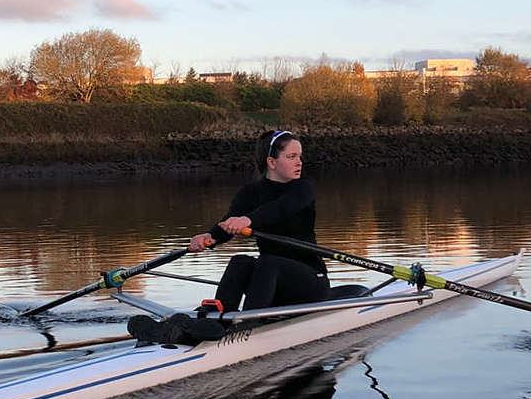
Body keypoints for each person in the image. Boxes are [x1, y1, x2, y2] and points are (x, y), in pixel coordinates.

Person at [128, 129, 363, 346]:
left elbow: (279, 209)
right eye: (291, 157)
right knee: (240, 261)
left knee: (267, 262)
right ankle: (216, 321)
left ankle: (248, 325)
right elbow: (227, 224)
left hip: (311, 282)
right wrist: (209, 236)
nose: (299, 162)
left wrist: (248, 221)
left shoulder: (303, 189)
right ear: (272, 162)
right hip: (271, 283)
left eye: (299, 156)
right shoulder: (250, 193)